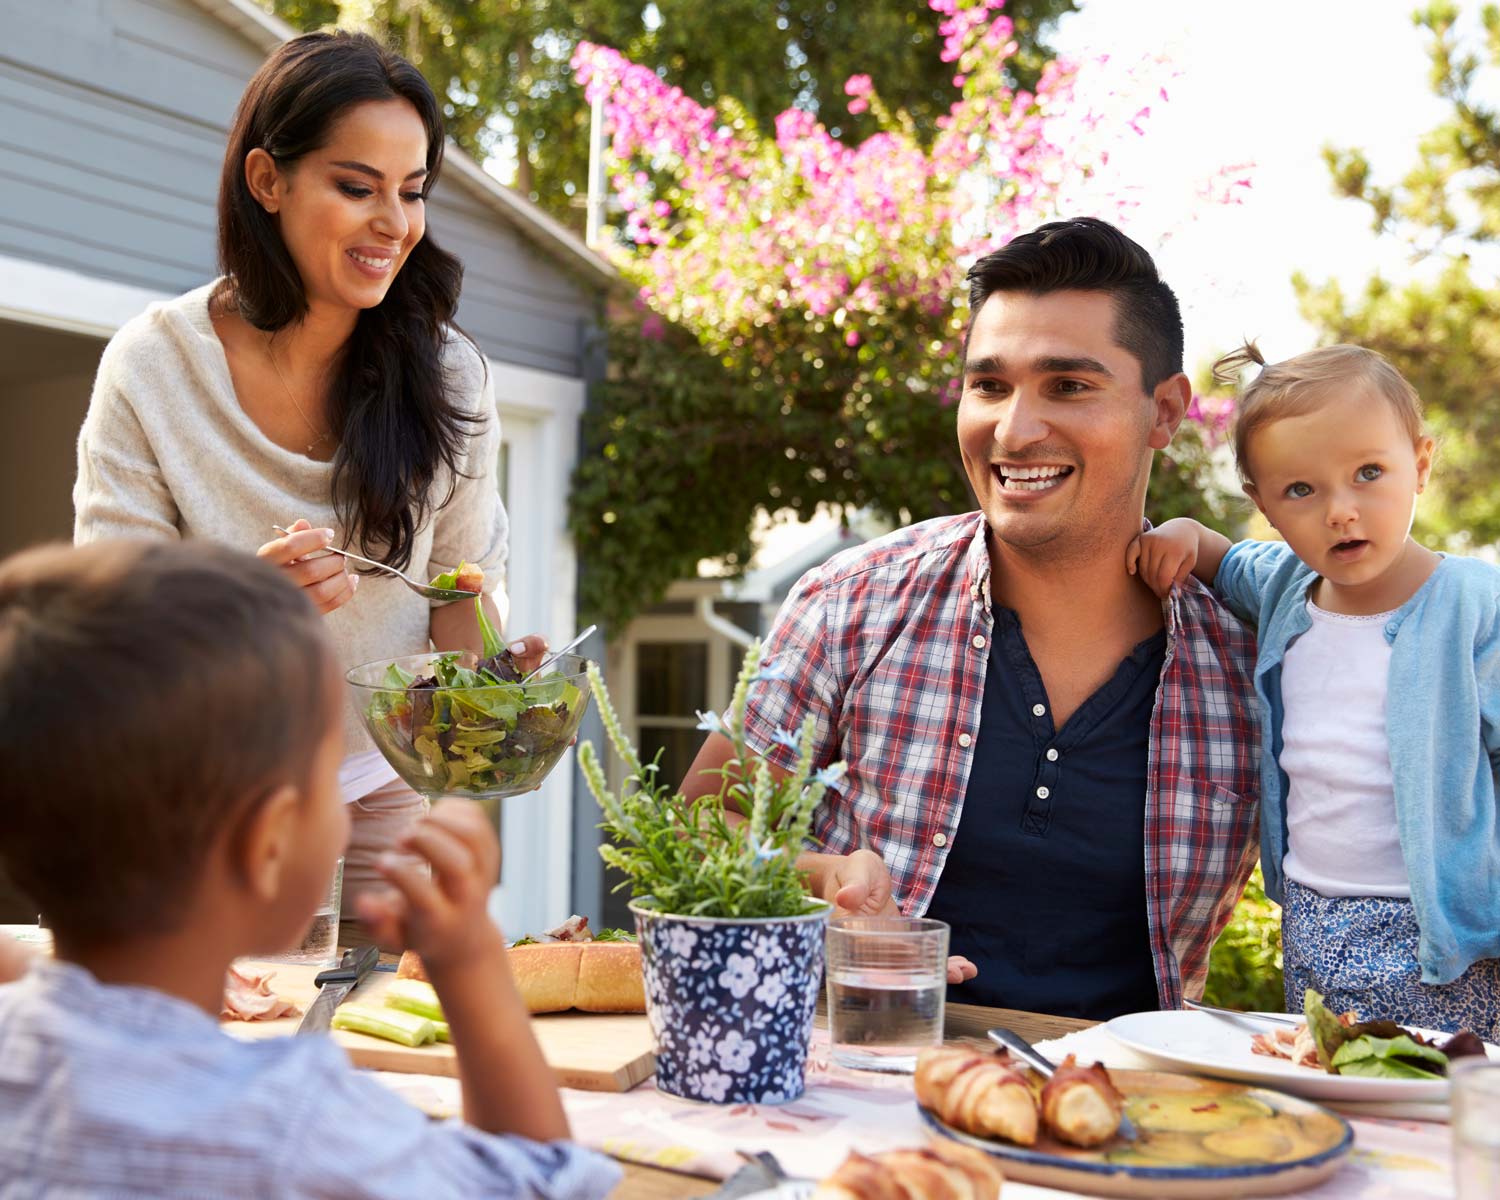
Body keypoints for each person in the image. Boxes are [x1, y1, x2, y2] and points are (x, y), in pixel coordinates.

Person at [682, 217, 1262, 1018]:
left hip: (1121, 1088)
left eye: (1069, 386)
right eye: (989, 386)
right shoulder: (853, 603)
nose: (1014, 431)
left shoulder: (1250, 661)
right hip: (855, 1068)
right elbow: (698, 825)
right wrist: (820, 881)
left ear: (1164, 411)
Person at [71, 31, 544, 928]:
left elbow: (460, 586)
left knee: (379, 1010)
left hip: (386, 775)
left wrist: (493, 678)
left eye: (412, 192)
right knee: (228, 1008)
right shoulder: (154, 368)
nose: (394, 224)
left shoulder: (449, 374)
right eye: (357, 188)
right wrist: (244, 609)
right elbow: (108, 637)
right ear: (268, 180)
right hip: (208, 789)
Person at [0, 539, 618, 1197]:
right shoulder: (301, 1129)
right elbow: (542, 1181)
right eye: (328, 775)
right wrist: (471, 967)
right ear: (268, 844)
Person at [1128, 343, 1500, 1036]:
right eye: (1301, 490)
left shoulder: (1475, 604)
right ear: (1263, 504)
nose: (1340, 511)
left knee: (1441, 1085)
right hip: (1312, 916)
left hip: (1443, 934)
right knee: (1327, 1072)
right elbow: (1222, 559)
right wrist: (1185, 536)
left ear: (1421, 465)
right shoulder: (1283, 586)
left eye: (1369, 473)